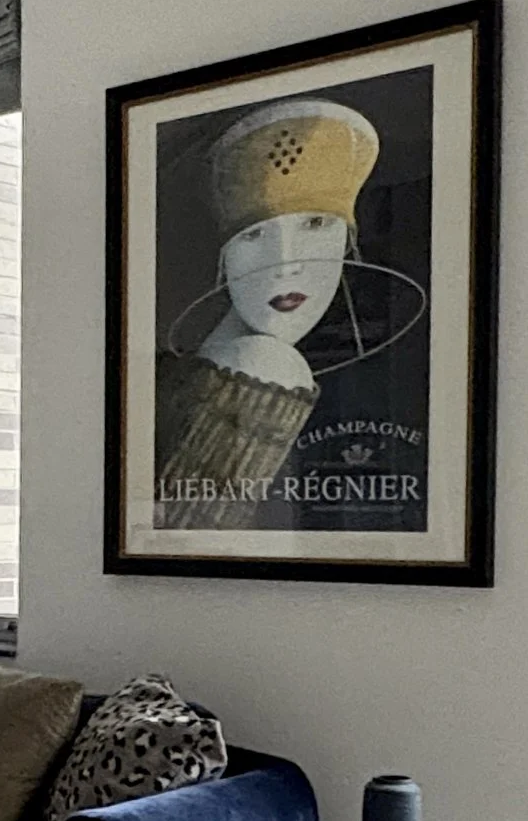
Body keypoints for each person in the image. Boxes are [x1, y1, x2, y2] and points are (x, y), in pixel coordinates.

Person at [157, 98, 380, 529]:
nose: (285, 263)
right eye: (254, 234)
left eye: (315, 224)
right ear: (223, 257)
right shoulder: (267, 367)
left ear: (347, 239)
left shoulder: (201, 363)